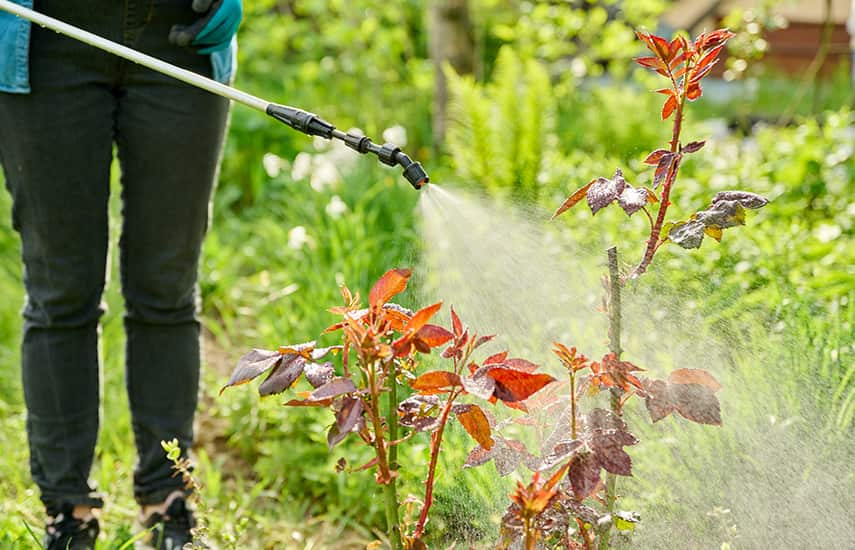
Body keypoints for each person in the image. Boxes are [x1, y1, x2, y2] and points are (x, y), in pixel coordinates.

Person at [0, 0, 242, 548]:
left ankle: (169, 502)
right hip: (43, 41)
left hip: (182, 36)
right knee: (61, 291)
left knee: (168, 288)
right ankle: (68, 514)